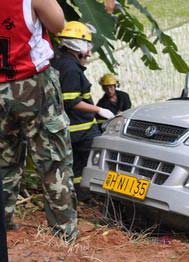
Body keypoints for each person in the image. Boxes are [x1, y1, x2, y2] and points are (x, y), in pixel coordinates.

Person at [0, 0, 78, 241]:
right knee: (53, 159)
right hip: (34, 85)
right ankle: (63, 234)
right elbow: (58, 24)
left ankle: (4, 228)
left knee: (3, 160)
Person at [53, 21, 115, 202]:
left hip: (72, 128)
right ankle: (93, 196)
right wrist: (99, 109)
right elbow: (71, 100)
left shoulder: (60, 62)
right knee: (94, 161)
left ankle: (81, 195)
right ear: (78, 44)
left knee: (78, 166)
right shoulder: (71, 69)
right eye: (87, 44)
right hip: (81, 129)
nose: (89, 49)